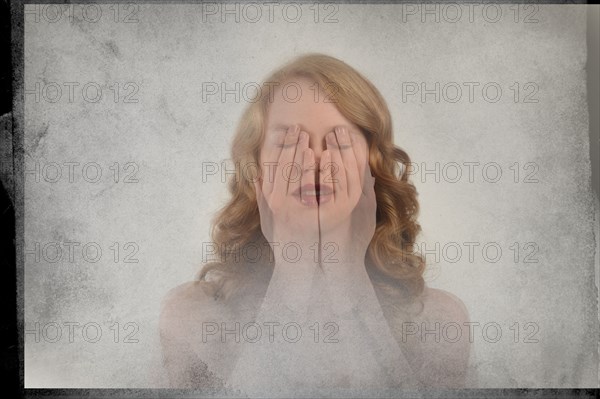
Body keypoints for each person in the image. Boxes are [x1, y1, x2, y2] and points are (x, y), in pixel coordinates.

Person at [159, 53, 473, 395]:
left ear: (371, 166)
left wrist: (348, 272)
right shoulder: (193, 318)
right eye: (290, 143)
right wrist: (293, 263)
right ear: (257, 168)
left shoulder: (439, 323)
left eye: (338, 142)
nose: (314, 163)